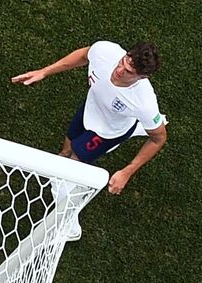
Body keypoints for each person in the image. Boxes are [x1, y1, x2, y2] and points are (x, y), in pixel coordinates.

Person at [12, 41, 167, 240]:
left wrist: (127, 171)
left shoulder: (144, 103)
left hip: (107, 132)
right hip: (90, 108)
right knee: (67, 146)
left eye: (129, 71)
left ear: (142, 77)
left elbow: (158, 138)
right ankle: (63, 160)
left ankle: (71, 228)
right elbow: (84, 55)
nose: (120, 70)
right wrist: (44, 71)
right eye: (123, 62)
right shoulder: (105, 51)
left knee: (71, 167)